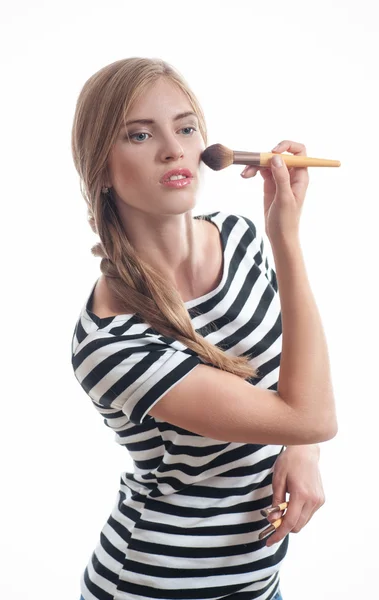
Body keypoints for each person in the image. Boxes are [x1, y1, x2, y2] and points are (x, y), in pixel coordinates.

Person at [71, 57, 337, 600]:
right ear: (100, 166)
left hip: (260, 582)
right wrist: (287, 238)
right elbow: (311, 415)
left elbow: (296, 390)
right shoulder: (110, 343)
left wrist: (301, 450)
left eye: (186, 127)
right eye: (139, 135)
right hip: (160, 583)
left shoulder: (238, 239)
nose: (173, 149)